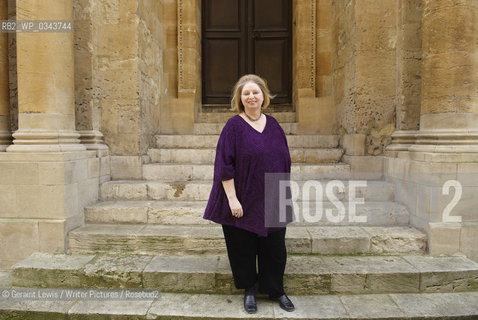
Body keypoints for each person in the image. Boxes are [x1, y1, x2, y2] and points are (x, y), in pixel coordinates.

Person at [203, 74, 295, 313]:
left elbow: (284, 160)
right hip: (242, 194)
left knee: (275, 249)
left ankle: (276, 290)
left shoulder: (274, 125)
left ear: (263, 95)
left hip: (273, 193)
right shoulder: (233, 126)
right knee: (242, 247)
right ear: (240, 99)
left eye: (255, 92)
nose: (251, 96)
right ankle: (249, 290)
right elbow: (224, 164)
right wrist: (232, 198)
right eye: (246, 93)